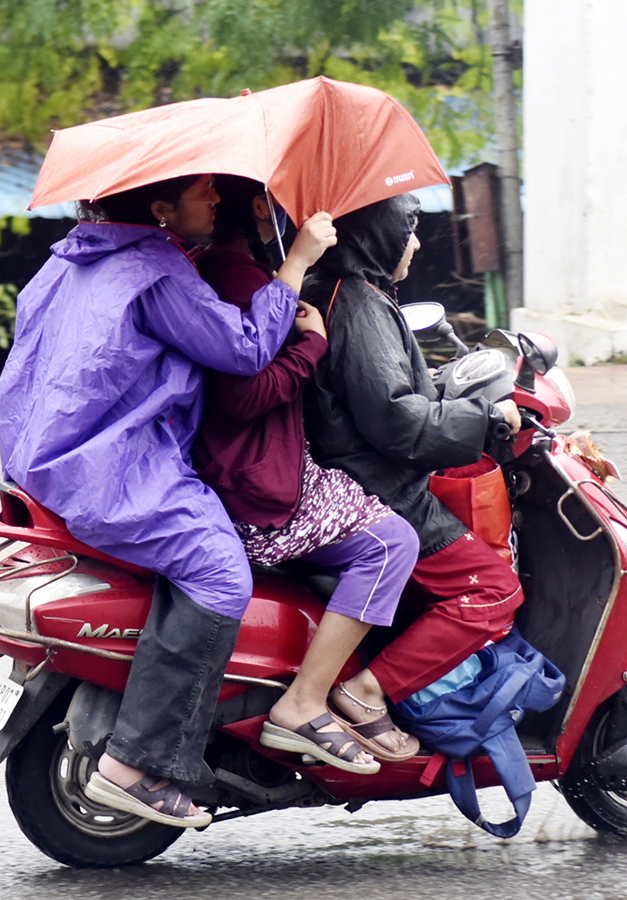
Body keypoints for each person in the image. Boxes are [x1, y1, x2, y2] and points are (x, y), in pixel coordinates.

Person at [0, 173, 335, 827]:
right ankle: (134, 765)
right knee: (219, 573)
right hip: (117, 474)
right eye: (201, 192)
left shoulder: (65, 259)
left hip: (38, 463)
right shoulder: (154, 268)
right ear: (159, 209)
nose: (213, 201)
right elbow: (243, 350)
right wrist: (298, 262)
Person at [192, 175, 420, 769]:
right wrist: (312, 344)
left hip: (243, 467)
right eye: (280, 209)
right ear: (263, 213)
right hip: (257, 482)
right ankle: (307, 700)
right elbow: (245, 395)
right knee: (392, 543)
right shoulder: (238, 277)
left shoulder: (216, 268)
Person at [301, 193, 526, 735]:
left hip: (362, 477)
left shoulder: (344, 293)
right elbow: (397, 421)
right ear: (379, 234)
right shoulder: (356, 303)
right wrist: (486, 419)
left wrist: (452, 396)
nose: (418, 242)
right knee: (495, 590)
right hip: (383, 490)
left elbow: (391, 394)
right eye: (408, 227)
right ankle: (367, 690)